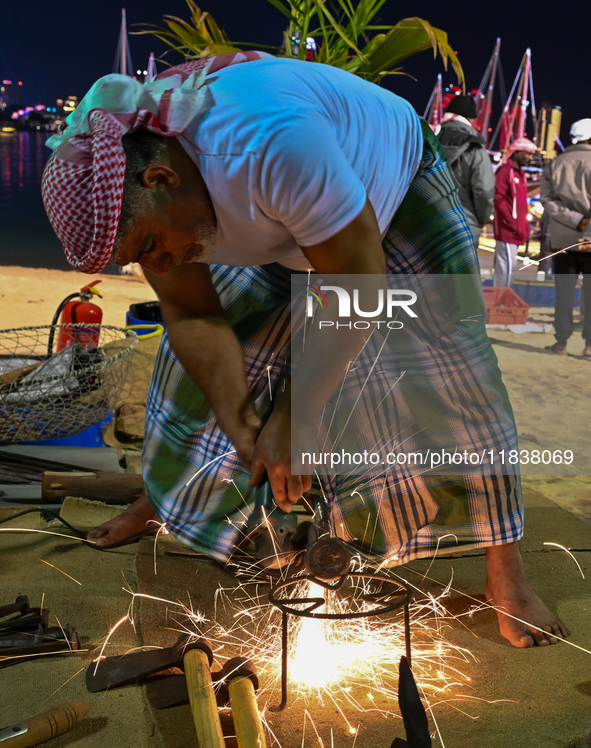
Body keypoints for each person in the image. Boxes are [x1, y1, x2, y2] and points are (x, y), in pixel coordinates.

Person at [42, 54, 565, 648]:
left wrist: (299, 415)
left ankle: (506, 574)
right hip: (278, 216)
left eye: (153, 247)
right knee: (191, 379)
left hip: (392, 184)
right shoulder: (156, 197)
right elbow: (191, 313)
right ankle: (163, 499)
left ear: (162, 180)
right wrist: (246, 428)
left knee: (452, 374)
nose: (156, 266)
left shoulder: (266, 145)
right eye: (139, 258)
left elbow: (359, 289)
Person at [540, 118, 591, 355]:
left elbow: (547, 201)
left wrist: (573, 219)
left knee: (564, 294)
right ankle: (590, 346)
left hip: (562, 240)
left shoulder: (555, 164)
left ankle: (561, 342)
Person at [437, 94, 495, 249]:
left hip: (428, 223)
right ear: (470, 119)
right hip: (463, 226)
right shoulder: (474, 147)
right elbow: (484, 190)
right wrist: (482, 218)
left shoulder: (429, 141)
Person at [493, 137, 537, 286]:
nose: (530, 158)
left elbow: (521, 204)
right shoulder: (505, 171)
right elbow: (498, 199)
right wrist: (512, 223)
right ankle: (501, 303)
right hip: (507, 230)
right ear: (517, 153)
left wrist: (523, 227)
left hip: (516, 230)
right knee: (506, 268)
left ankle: (502, 301)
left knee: (509, 268)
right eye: (528, 154)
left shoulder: (520, 174)